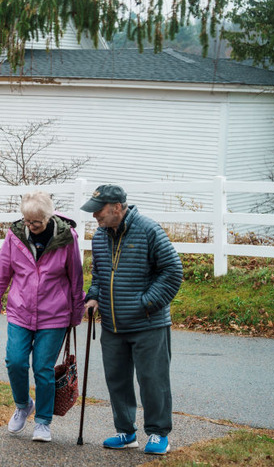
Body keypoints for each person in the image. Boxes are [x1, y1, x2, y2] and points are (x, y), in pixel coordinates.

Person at [80, 184, 183, 455]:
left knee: (153, 380)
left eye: (98, 211)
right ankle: (126, 432)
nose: (94, 217)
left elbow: (173, 271)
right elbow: (99, 274)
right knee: (117, 380)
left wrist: (145, 303)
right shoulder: (100, 236)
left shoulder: (149, 230)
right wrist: (93, 297)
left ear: (117, 208)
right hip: (113, 325)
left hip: (148, 323)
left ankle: (159, 434)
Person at [0, 191, 85, 443]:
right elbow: (0, 275)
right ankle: (22, 405)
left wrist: (76, 313)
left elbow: (76, 278)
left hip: (55, 315)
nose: (31, 226)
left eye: (36, 222)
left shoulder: (67, 238)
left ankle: (42, 422)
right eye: (27, 221)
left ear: (48, 217)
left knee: (43, 368)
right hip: (20, 311)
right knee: (15, 361)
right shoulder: (14, 236)